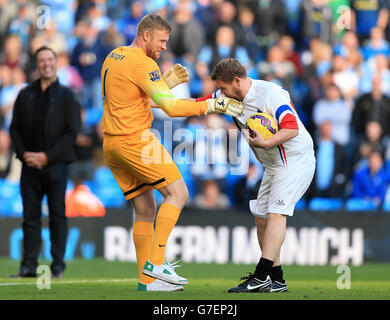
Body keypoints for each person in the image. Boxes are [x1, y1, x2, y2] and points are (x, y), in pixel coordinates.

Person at [100, 14, 243, 292]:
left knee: (145, 209)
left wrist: (163, 83)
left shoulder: (114, 55)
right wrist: (214, 107)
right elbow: (172, 109)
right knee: (178, 193)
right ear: (146, 35)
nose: (164, 47)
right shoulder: (143, 63)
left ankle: (147, 281)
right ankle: (157, 262)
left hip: (112, 144)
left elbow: (136, 100)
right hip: (135, 141)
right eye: (162, 40)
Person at [206, 58, 315, 293]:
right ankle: (277, 280)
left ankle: (260, 275)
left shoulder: (270, 94)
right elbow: (200, 103)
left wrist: (266, 143)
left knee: (276, 213)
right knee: (262, 218)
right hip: (274, 165)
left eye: (223, 88)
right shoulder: (229, 97)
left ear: (236, 81)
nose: (221, 93)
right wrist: (160, 100)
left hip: (295, 160)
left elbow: (291, 127)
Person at [9, 46, 82, 278]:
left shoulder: (68, 95)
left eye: (50, 59)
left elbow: (72, 133)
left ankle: (57, 266)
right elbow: (15, 129)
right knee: (30, 217)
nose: (46, 63)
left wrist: (47, 156)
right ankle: (28, 266)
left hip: (57, 166)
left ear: (56, 62)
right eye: (42, 60)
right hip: (29, 166)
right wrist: (25, 155)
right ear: (37, 64)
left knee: (57, 216)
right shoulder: (25, 94)